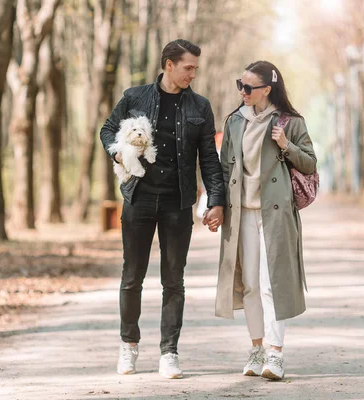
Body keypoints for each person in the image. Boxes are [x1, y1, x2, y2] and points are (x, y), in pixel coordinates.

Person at [100, 39, 225, 379]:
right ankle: (128, 346)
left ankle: (169, 352)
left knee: (174, 281)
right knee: (131, 277)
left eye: (195, 69)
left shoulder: (200, 106)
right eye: (188, 67)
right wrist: (118, 153)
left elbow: (209, 159)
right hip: (138, 198)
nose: (192, 74)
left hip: (177, 202)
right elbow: (108, 129)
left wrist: (216, 200)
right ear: (169, 65)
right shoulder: (135, 97)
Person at [214, 61, 317, 380]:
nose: (242, 92)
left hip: (275, 214)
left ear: (267, 90)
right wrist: (215, 206)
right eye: (239, 85)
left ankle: (275, 354)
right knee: (250, 286)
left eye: (248, 87)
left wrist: (286, 145)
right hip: (241, 212)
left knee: (271, 283)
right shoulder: (234, 122)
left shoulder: (291, 122)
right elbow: (223, 169)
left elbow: (310, 164)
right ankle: (256, 348)